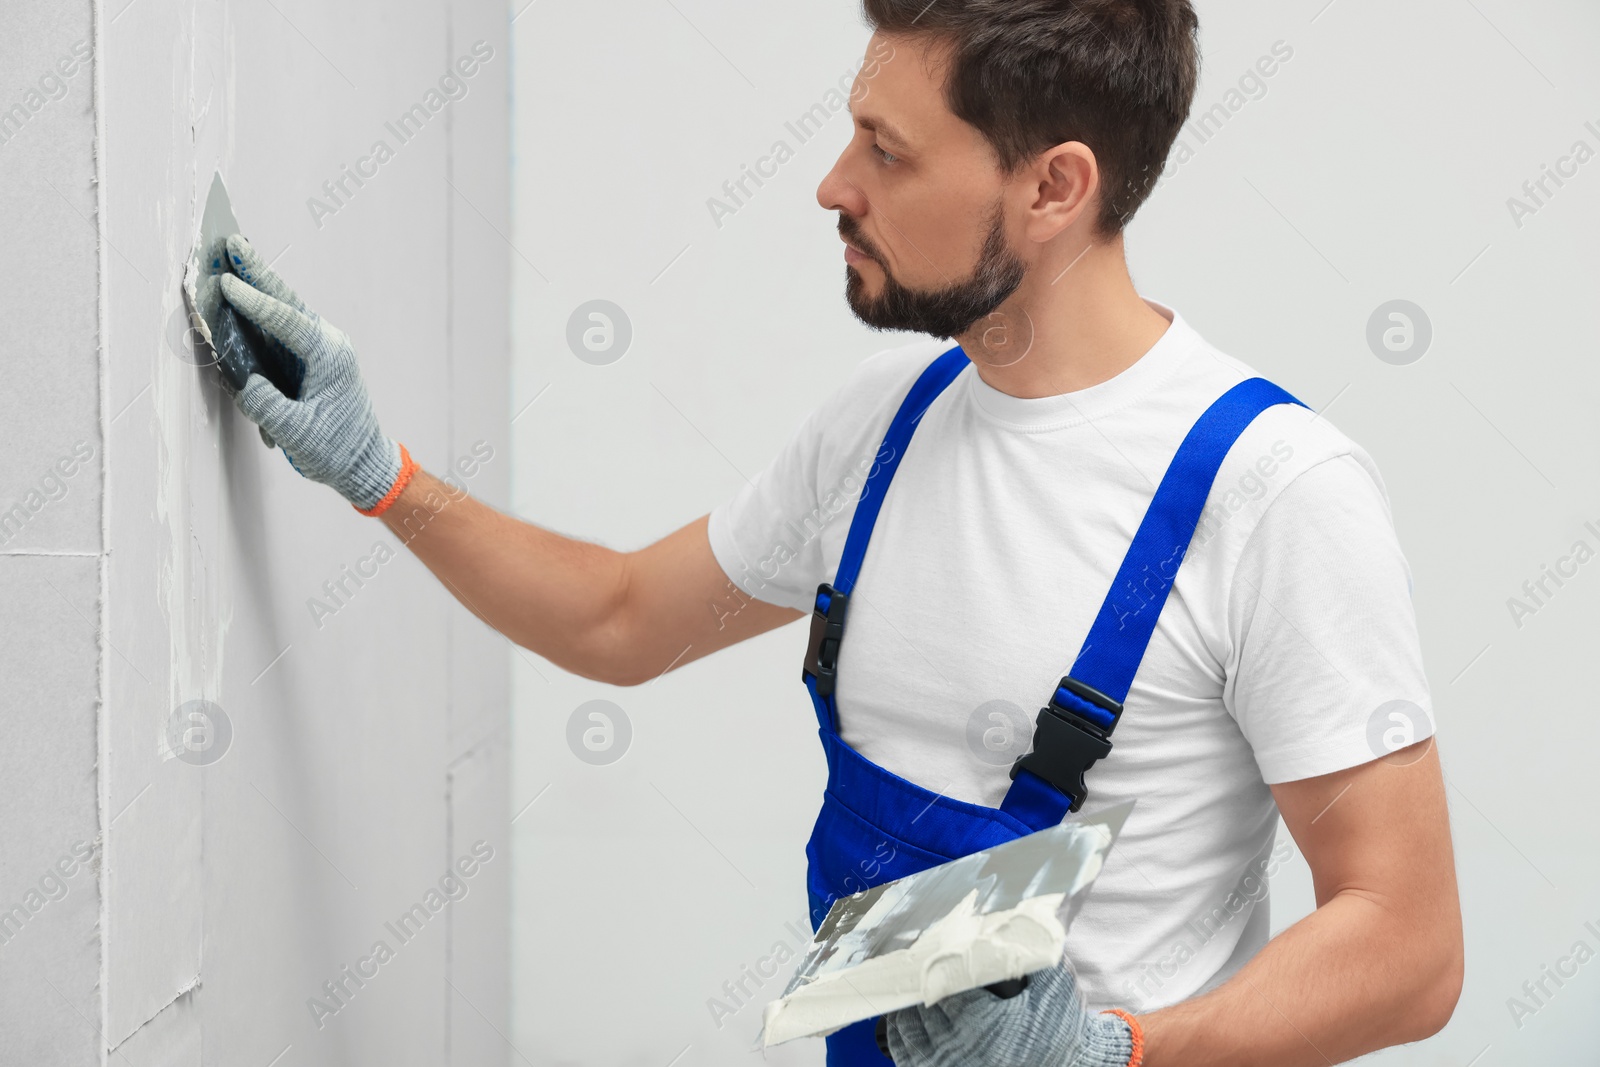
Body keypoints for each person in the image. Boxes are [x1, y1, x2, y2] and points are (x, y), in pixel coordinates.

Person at [213, 2, 1462, 1064]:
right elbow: (618, 620)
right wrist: (383, 474)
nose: (832, 185)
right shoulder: (883, 429)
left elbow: (1409, 943)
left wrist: (1116, 1048)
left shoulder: (1273, 490)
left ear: (1053, 187)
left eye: (888, 150)